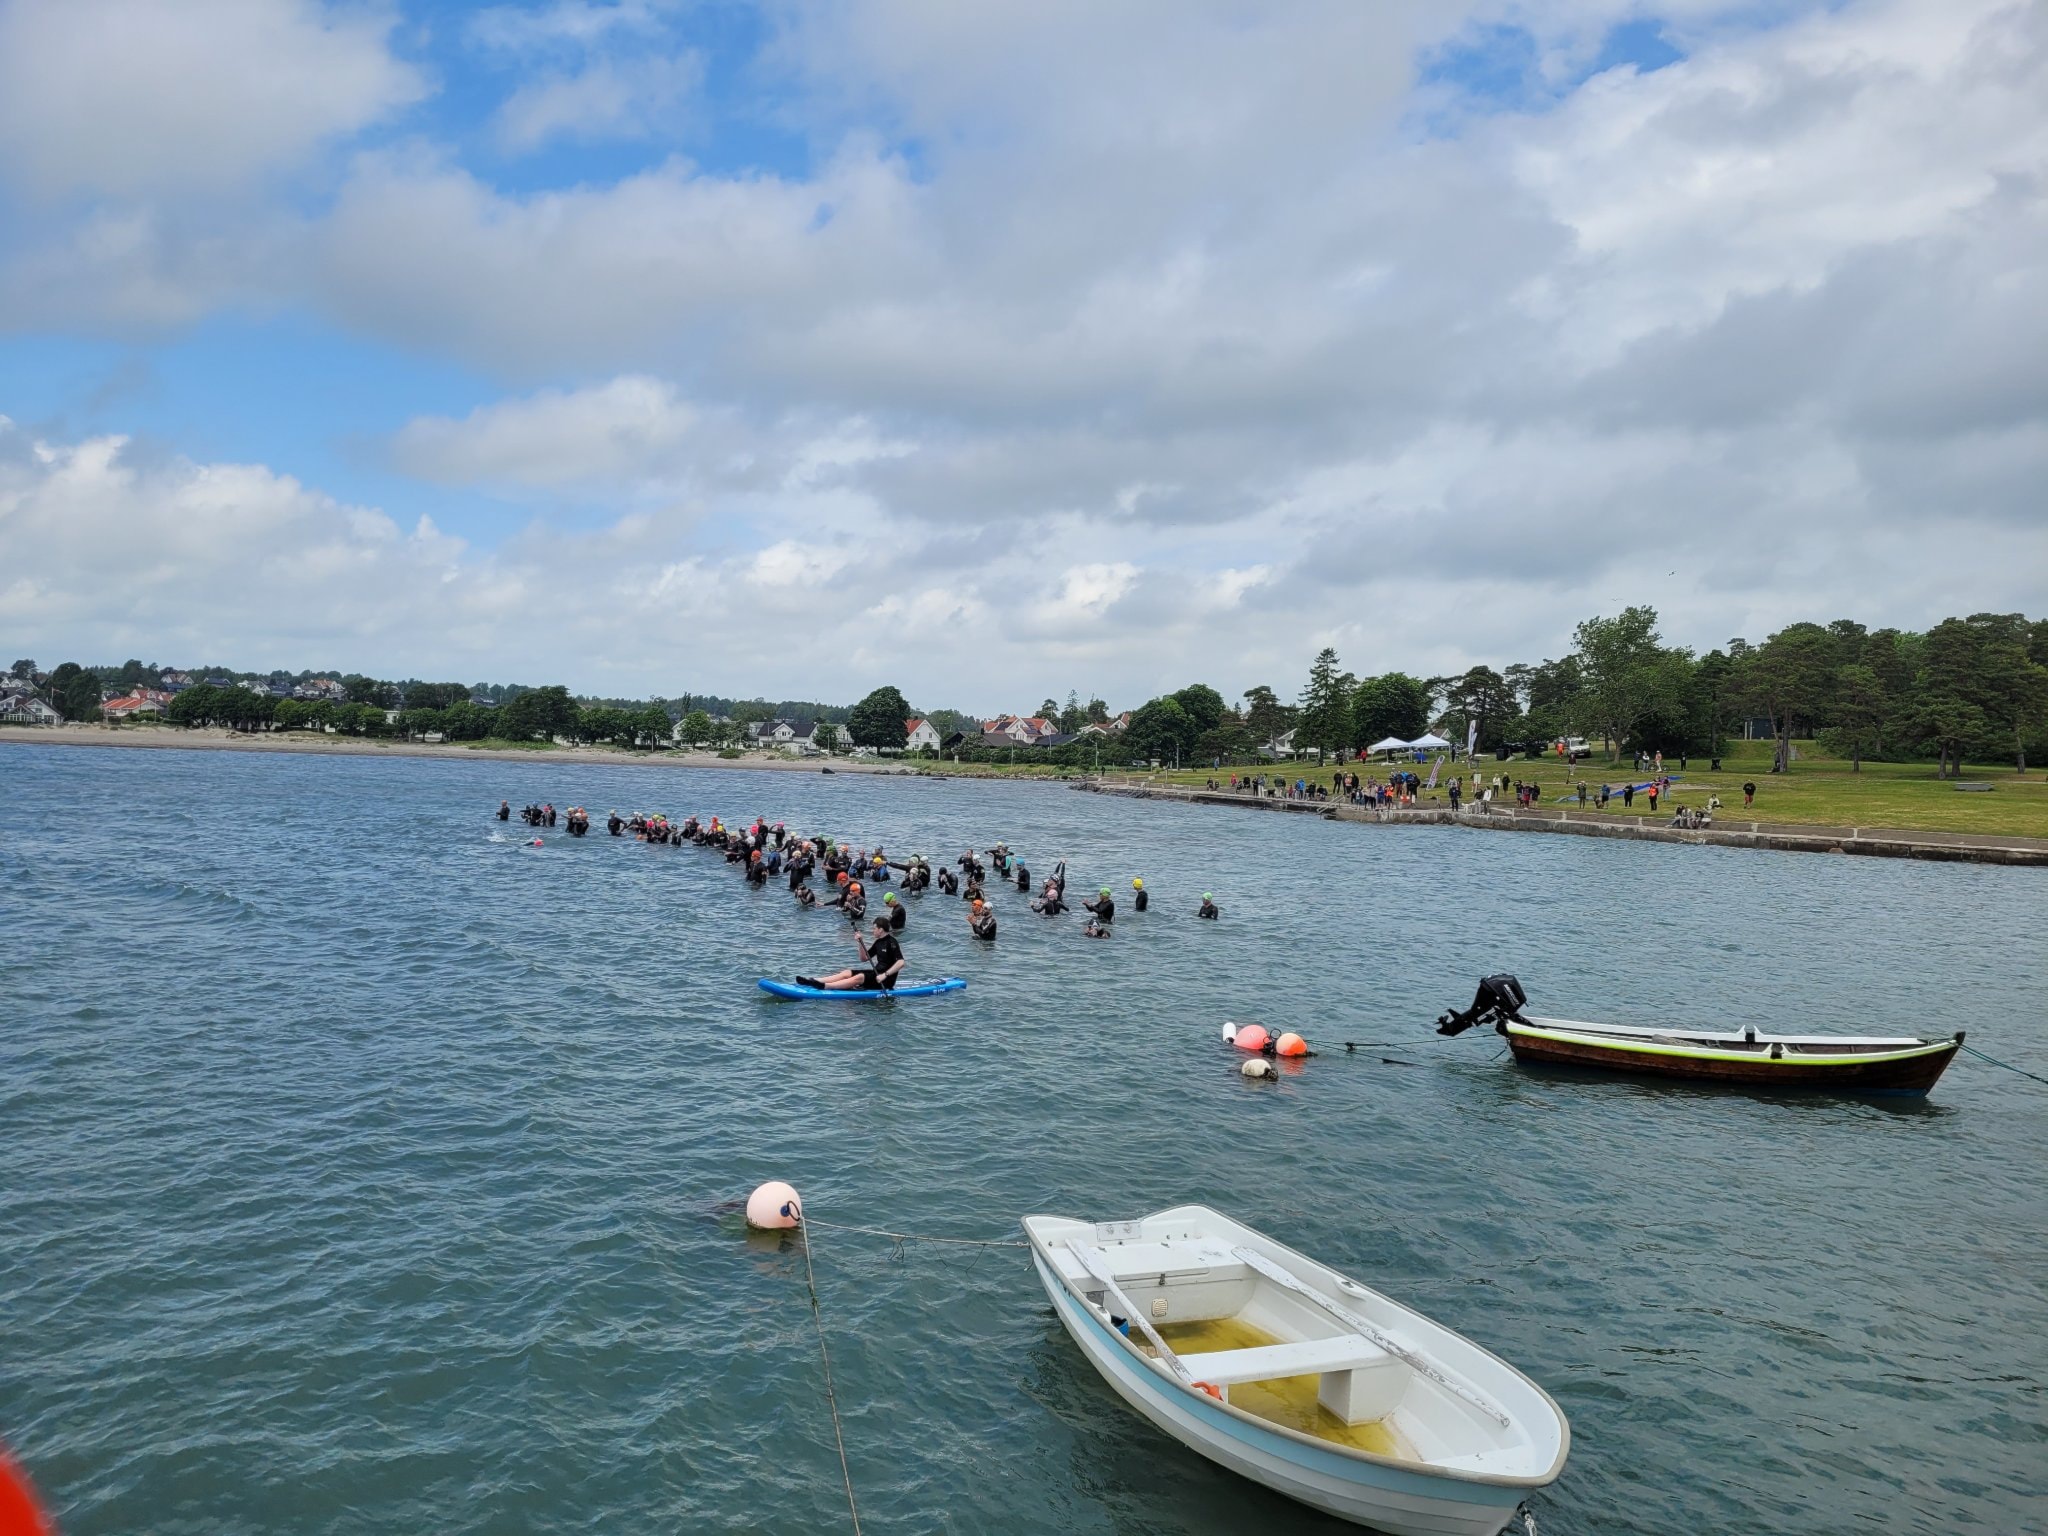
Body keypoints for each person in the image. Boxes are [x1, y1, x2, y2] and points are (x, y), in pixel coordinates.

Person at [802, 918, 906, 992]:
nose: (872, 930)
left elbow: (901, 962)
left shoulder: (892, 942)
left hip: (886, 980)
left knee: (860, 977)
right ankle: (814, 981)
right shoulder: (878, 942)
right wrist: (860, 943)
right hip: (877, 973)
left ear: (881, 929)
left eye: (874, 928)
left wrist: (885, 975)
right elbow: (864, 958)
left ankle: (826, 986)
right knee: (847, 972)